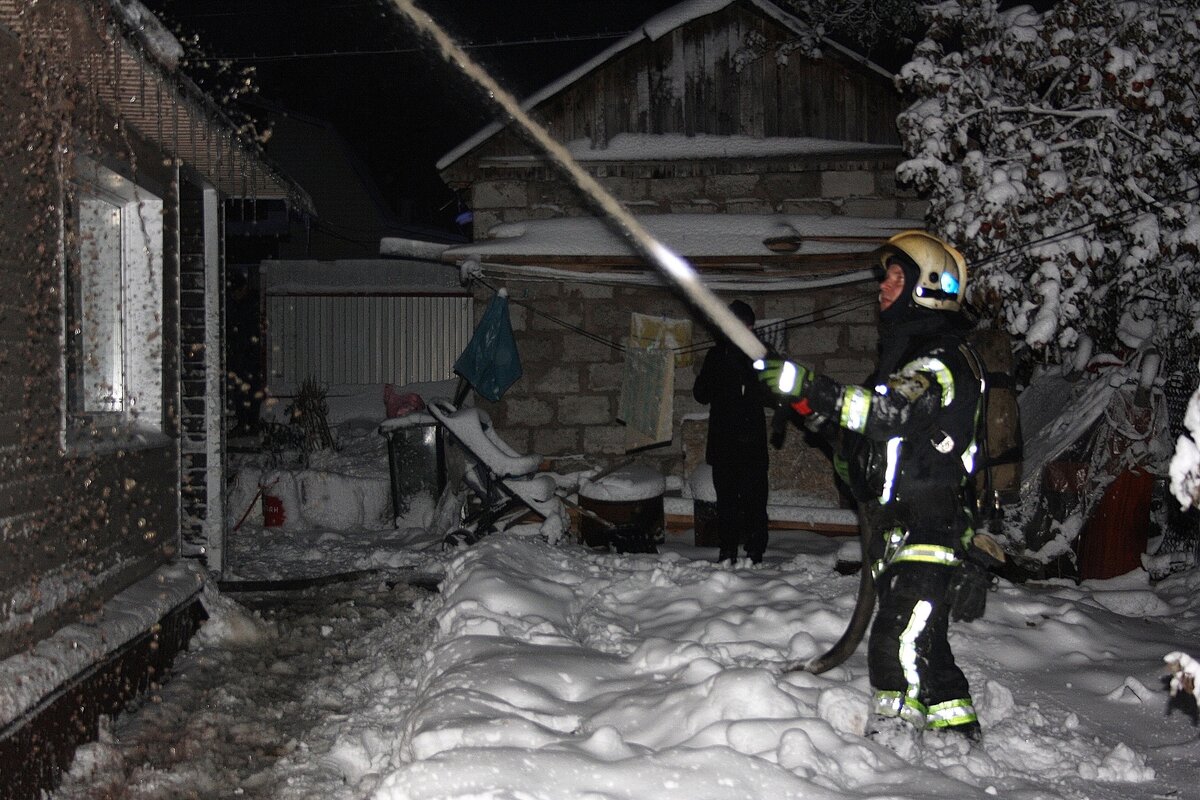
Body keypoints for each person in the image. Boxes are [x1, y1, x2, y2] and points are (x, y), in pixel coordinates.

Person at [756, 231, 1003, 745]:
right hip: (901, 526)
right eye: (886, 275)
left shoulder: (940, 362)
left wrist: (807, 384)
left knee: (893, 638)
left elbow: (885, 415)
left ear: (928, 287)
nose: (883, 286)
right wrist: (807, 407)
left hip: (933, 522)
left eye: (897, 276)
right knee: (925, 640)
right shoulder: (903, 363)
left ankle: (892, 739)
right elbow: (861, 437)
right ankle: (958, 732)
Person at [693, 300, 772, 564]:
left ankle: (755, 552)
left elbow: (776, 392)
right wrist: (721, 370)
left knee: (755, 502)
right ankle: (728, 552)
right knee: (726, 502)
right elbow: (700, 394)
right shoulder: (717, 356)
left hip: (752, 444)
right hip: (724, 443)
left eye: (748, 327)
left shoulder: (763, 354)